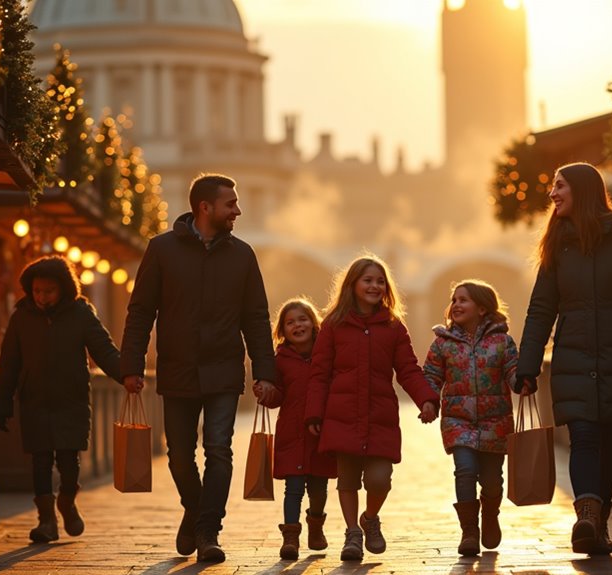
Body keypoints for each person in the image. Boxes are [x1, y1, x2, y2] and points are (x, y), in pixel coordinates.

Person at [120, 173, 276, 562]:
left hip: (224, 370)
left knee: (219, 450)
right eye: (231, 204)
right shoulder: (162, 250)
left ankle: (208, 530)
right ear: (204, 207)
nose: (237, 210)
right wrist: (131, 365)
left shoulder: (243, 255)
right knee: (178, 455)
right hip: (177, 369)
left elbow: (256, 318)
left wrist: (265, 372)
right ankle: (195, 507)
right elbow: (141, 312)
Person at [515, 162, 612, 555]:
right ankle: (587, 518)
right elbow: (540, 308)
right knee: (583, 437)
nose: (552, 194)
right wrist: (526, 363)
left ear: (581, 190)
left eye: (559, 185)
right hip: (575, 357)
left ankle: (597, 522)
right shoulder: (557, 243)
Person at [304, 253, 439, 562]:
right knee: (347, 479)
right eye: (367, 280)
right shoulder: (333, 325)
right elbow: (319, 373)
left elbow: (407, 368)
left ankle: (370, 518)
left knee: (380, 479)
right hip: (342, 415)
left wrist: (427, 398)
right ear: (352, 284)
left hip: (380, 417)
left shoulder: (393, 327)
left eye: (380, 281)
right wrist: (314, 412)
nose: (374, 286)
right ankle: (352, 532)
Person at [0, 255, 123, 543]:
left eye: (48, 291)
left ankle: (66, 500)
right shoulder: (21, 316)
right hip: (34, 401)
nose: (41, 297)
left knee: (68, 459)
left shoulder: (80, 313)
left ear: (63, 288)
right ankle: (46, 521)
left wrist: (126, 375)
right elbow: (9, 363)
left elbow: (104, 349)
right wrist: (2, 404)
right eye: (37, 291)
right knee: (39, 461)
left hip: (71, 400)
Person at [423, 279, 517, 557]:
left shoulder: (502, 341)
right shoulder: (443, 343)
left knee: (492, 480)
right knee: (464, 471)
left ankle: (490, 514)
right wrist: (428, 402)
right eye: (454, 300)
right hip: (458, 421)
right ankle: (468, 531)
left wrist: (521, 380)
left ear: (483, 308)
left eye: (463, 300)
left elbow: (513, 369)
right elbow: (431, 375)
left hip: (495, 422)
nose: (456, 305)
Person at [254, 298, 337, 560]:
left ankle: (316, 526)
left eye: (302, 320)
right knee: (293, 488)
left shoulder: (328, 355)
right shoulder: (280, 360)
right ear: (282, 330)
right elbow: (278, 397)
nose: (297, 325)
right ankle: (290, 538)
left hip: (320, 432)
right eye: (290, 322)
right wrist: (266, 394)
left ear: (314, 324)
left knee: (318, 487)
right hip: (291, 433)